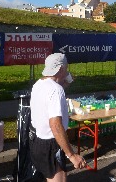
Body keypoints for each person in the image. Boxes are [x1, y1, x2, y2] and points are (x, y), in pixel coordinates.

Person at [29, 53, 86, 181]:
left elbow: (53, 92)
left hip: (36, 142)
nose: (67, 69)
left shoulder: (38, 84)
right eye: (66, 67)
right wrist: (71, 155)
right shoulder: (56, 90)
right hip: (51, 144)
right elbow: (55, 125)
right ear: (60, 68)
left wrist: (67, 82)